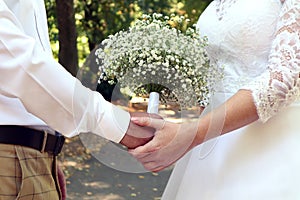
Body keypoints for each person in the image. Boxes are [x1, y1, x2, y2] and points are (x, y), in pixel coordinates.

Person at [130, 0, 300, 199]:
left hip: (271, 147)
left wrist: (191, 134)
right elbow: (211, 78)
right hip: (210, 149)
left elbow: (285, 78)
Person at [0, 1, 154, 200]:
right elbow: (12, 57)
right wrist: (117, 125)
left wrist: (49, 151)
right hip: (11, 159)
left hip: (31, 156)